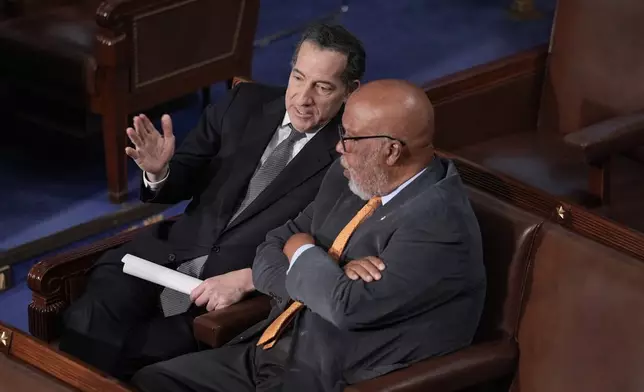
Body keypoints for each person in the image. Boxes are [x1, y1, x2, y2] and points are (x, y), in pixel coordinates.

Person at [132, 79, 487, 392]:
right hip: (270, 353)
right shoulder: (351, 177)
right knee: (153, 381)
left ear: (392, 151)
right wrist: (327, 276)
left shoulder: (439, 224)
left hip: (332, 378)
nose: (338, 148)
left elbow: (347, 308)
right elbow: (271, 246)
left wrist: (303, 251)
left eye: (349, 137)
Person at [58, 23, 366, 380]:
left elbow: (326, 248)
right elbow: (184, 176)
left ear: (349, 92)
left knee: (139, 355)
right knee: (86, 322)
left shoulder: (350, 157)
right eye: (298, 78)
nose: (302, 97)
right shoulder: (244, 103)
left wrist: (250, 279)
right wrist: (160, 171)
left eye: (322, 87)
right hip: (160, 259)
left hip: (227, 294)